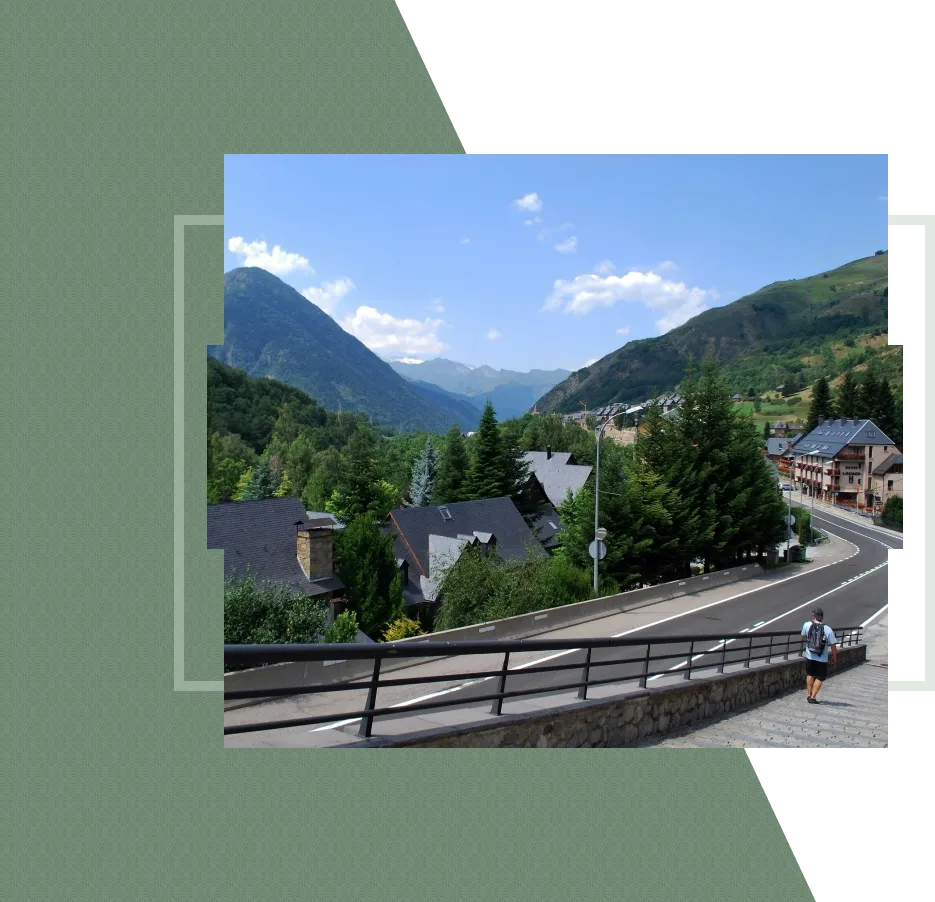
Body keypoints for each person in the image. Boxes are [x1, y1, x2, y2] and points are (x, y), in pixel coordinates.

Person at [801, 606, 838, 703]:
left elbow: (803, 637)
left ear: (813, 615)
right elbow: (833, 645)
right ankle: (813, 697)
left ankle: (809, 695)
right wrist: (834, 656)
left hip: (810, 655)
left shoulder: (807, 625)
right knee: (820, 677)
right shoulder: (827, 629)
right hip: (822, 658)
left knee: (810, 674)